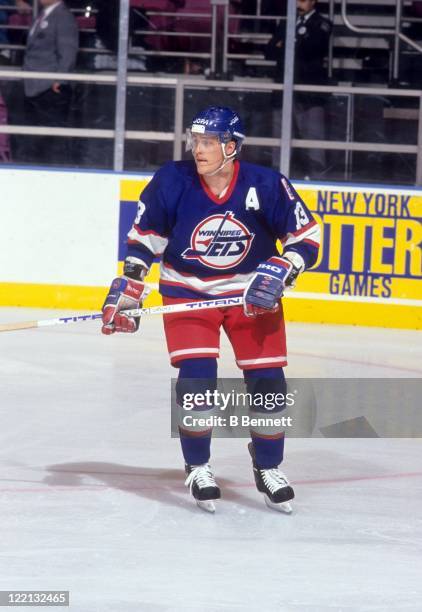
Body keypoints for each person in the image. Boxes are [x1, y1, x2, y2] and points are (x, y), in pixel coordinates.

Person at [101, 106, 320, 513]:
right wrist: (132, 282)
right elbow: (144, 237)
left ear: (231, 147)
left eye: (207, 142)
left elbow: (307, 235)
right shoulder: (173, 179)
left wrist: (286, 265)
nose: (197, 150)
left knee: (269, 383)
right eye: (195, 141)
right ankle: (198, 465)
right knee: (197, 378)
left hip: (250, 296)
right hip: (189, 292)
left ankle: (268, 465)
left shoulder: (265, 184)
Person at [267, 0, 332, 177]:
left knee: (313, 141)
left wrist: (287, 44)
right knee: (278, 141)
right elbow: (270, 51)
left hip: (309, 93)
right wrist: (295, 43)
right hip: (283, 91)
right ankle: (277, 181)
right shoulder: (286, 21)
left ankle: (317, 181)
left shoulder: (322, 23)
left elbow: (313, 50)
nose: (299, 2)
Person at [22, 0, 78, 164]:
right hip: (33, 86)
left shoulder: (63, 16)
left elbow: (68, 51)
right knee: (37, 138)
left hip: (50, 88)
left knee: (49, 139)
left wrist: (59, 80)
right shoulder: (42, 15)